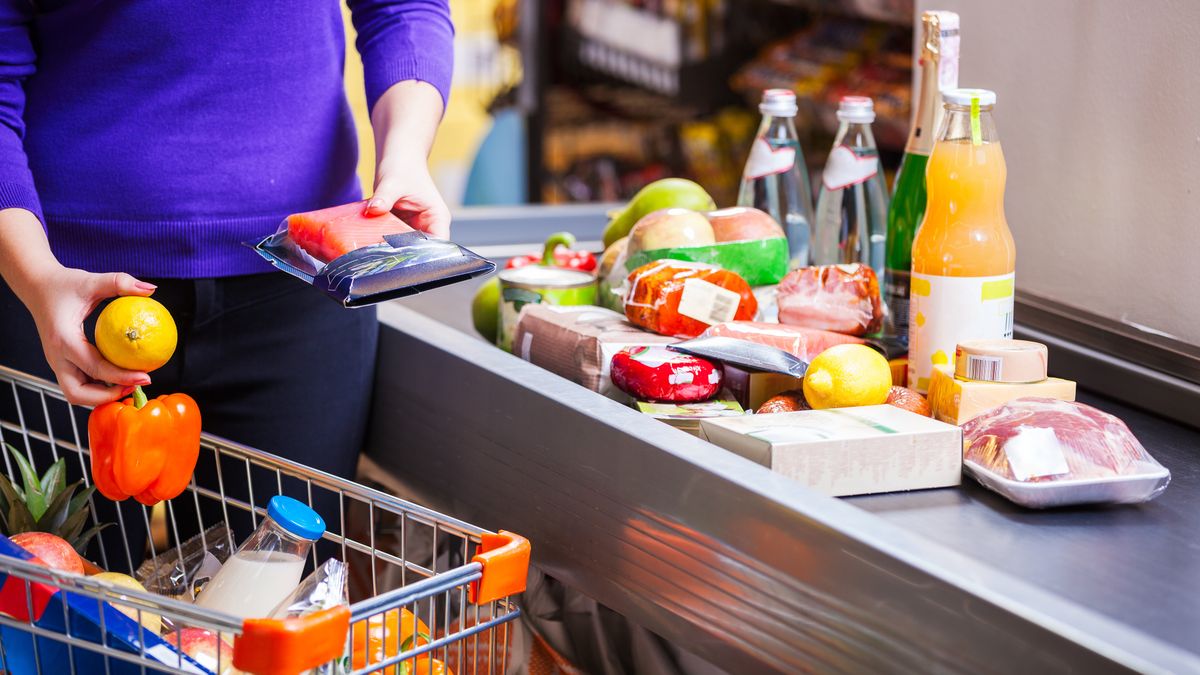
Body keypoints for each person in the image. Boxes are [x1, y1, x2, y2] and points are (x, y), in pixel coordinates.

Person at [0, 1, 454, 560]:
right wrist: (37, 277)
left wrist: (406, 155)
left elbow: (402, 7)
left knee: (272, 609)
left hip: (300, 287)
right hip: (59, 292)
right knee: (58, 620)